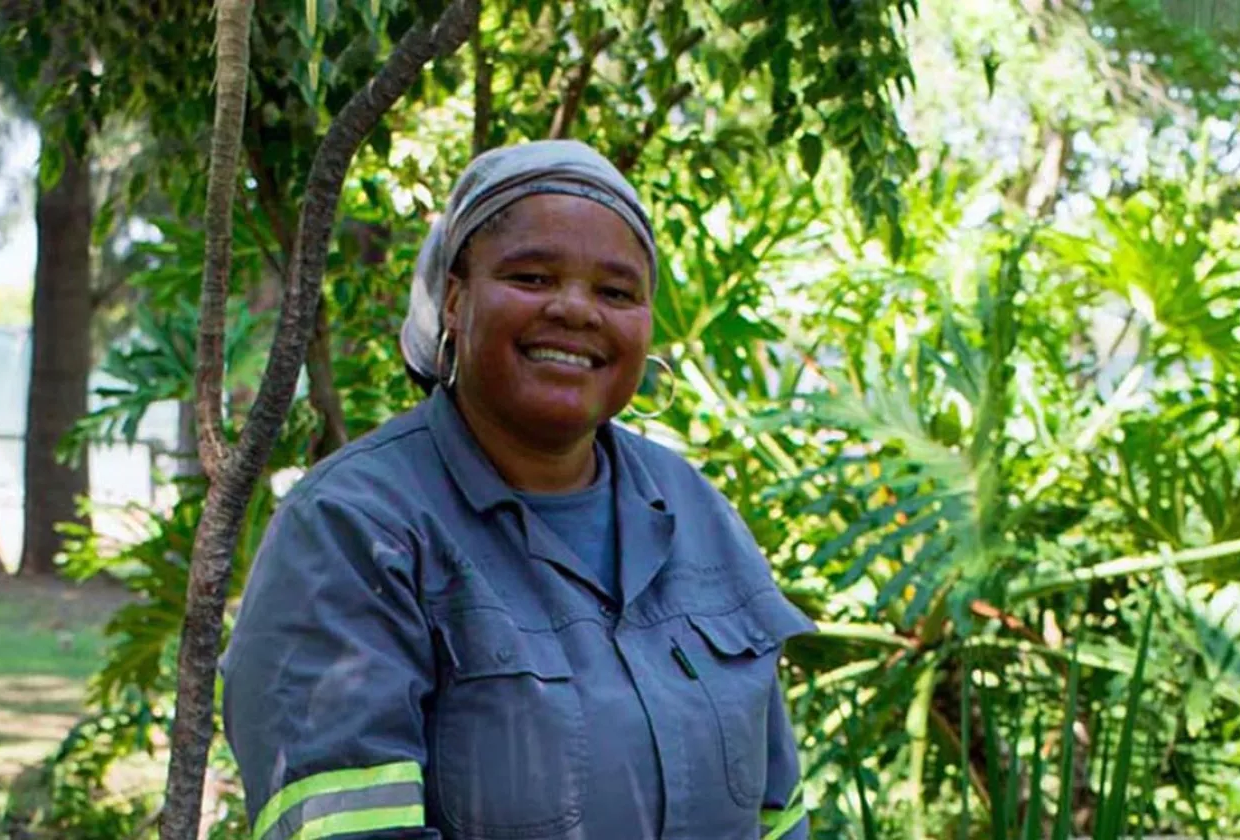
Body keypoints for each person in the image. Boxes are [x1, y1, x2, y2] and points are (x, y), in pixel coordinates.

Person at [221, 140, 815, 840]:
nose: (575, 309)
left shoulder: (697, 515)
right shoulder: (353, 529)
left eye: (616, 292)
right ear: (454, 297)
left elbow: (778, 815)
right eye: (532, 277)